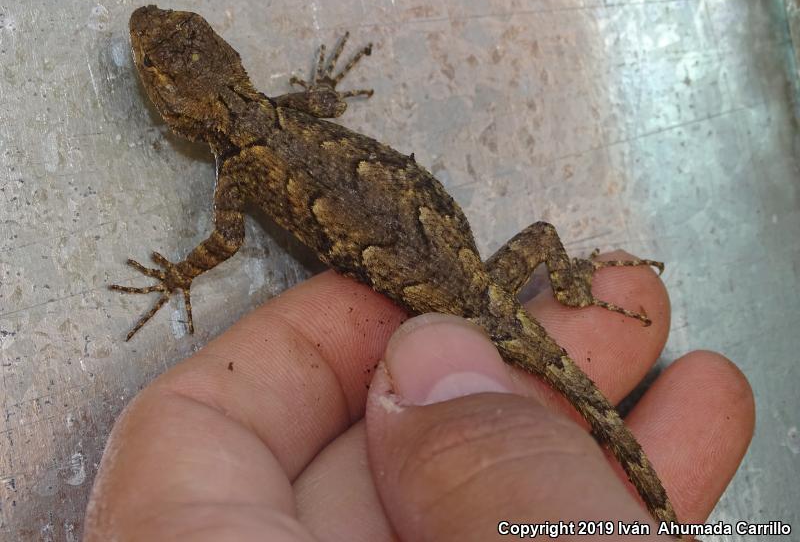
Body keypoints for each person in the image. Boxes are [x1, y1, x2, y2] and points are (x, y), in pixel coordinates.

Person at [83, 251, 754, 540]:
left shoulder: (250, 157)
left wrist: (179, 275)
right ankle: (574, 285)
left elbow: (227, 238)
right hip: (470, 280)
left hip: (457, 310)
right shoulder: (281, 112)